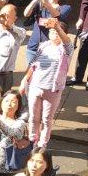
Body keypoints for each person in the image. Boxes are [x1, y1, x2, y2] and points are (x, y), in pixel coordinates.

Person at [20, 17, 72, 148]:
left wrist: (57, 27)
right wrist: (25, 80)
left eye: (57, 32)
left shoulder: (66, 50)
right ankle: (32, 141)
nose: (54, 33)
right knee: (33, 116)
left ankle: (42, 145)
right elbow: (33, 65)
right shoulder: (43, 46)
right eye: (52, 31)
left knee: (47, 119)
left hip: (52, 88)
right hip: (36, 86)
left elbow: (67, 42)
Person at [23, 0, 70, 65]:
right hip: (34, 45)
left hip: (51, 48)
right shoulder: (39, 3)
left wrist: (47, 3)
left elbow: (57, 15)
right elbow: (26, 14)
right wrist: (35, 0)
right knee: (30, 72)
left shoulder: (65, 7)